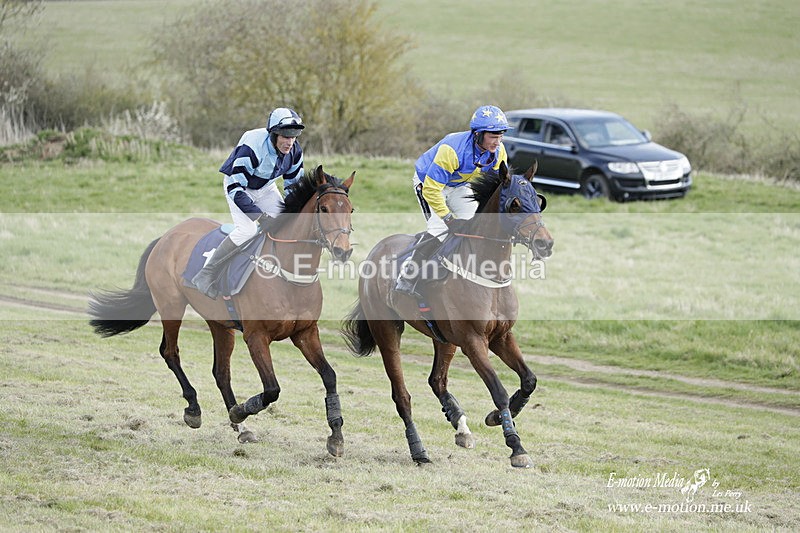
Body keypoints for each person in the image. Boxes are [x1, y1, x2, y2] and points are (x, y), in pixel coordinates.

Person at [394, 104, 511, 298]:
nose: (497, 141)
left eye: (500, 136)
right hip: (429, 184)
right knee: (439, 229)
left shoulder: (499, 152)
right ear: (477, 134)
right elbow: (432, 190)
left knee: (476, 223)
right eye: (493, 136)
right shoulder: (452, 149)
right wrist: (448, 219)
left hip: (458, 186)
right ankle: (408, 274)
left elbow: (498, 186)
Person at [192, 107, 305, 298]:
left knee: (286, 225)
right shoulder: (252, 147)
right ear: (274, 133)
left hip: (266, 188)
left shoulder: (295, 151)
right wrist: (260, 217)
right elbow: (235, 189)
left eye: (294, 135)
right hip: (239, 188)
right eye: (285, 136)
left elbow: (293, 187)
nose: (290, 141)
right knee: (248, 230)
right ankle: (207, 273)